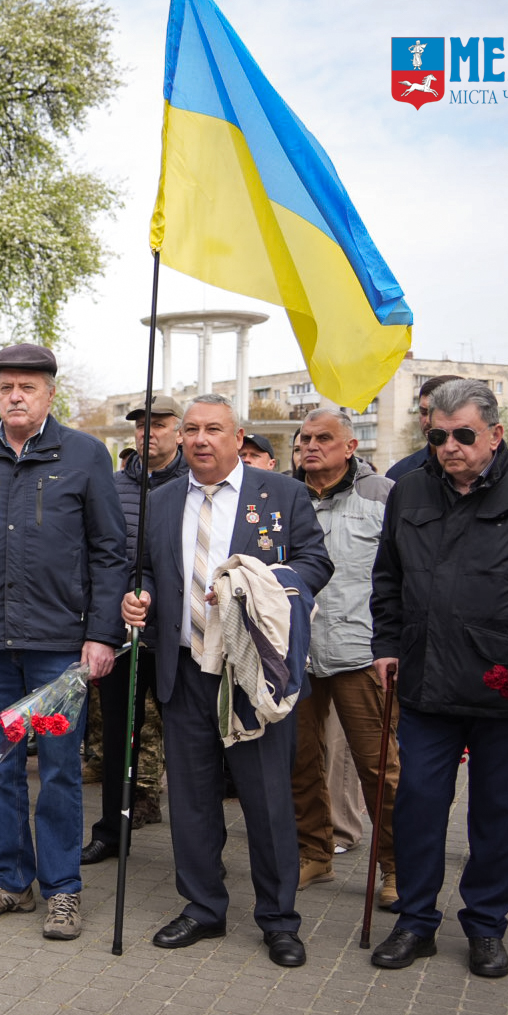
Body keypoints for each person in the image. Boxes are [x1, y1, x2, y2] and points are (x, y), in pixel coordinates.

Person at [369, 379, 508, 978]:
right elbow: (387, 579)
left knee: (498, 815)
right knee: (417, 807)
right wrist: (386, 645)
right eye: (438, 436)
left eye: (463, 434)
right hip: (427, 684)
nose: (450, 447)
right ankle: (415, 922)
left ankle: (486, 925)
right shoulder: (410, 491)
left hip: (507, 690)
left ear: (495, 434)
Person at [121, 394, 333, 967]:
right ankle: (202, 908)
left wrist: (258, 586)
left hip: (252, 673)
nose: (200, 439)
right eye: (191, 429)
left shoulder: (281, 494)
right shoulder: (164, 499)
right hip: (185, 667)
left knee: (266, 802)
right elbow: (144, 568)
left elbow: (316, 562)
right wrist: (139, 595)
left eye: (213, 429)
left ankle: (279, 920)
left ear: (238, 438)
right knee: (191, 801)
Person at [0, 343, 127, 941]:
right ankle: (11, 879)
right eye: (6, 387)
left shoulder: (85, 455)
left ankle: (63, 888)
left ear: (50, 393)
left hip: (58, 648)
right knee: (0, 764)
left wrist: (101, 634)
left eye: (28, 387)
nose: (15, 396)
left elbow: (109, 552)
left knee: (60, 769)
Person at [291, 409, 400, 907]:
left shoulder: (382, 496)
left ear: (351, 446)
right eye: (305, 438)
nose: (311, 446)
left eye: (323, 438)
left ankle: (396, 867)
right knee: (300, 761)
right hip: (297, 653)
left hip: (361, 653)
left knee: (379, 769)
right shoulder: (283, 496)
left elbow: (401, 575)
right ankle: (314, 853)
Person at [81, 394, 185, 866]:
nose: (148, 432)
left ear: (179, 431)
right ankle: (111, 830)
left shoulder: (194, 485)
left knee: (186, 738)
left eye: (159, 424)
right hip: (122, 633)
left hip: (178, 636)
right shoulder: (112, 484)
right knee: (119, 734)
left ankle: (198, 842)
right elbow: (99, 553)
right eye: (141, 425)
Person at [384, 374, 463, 482]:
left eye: (437, 413)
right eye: (424, 412)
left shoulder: (483, 469)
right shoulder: (399, 474)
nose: (428, 421)